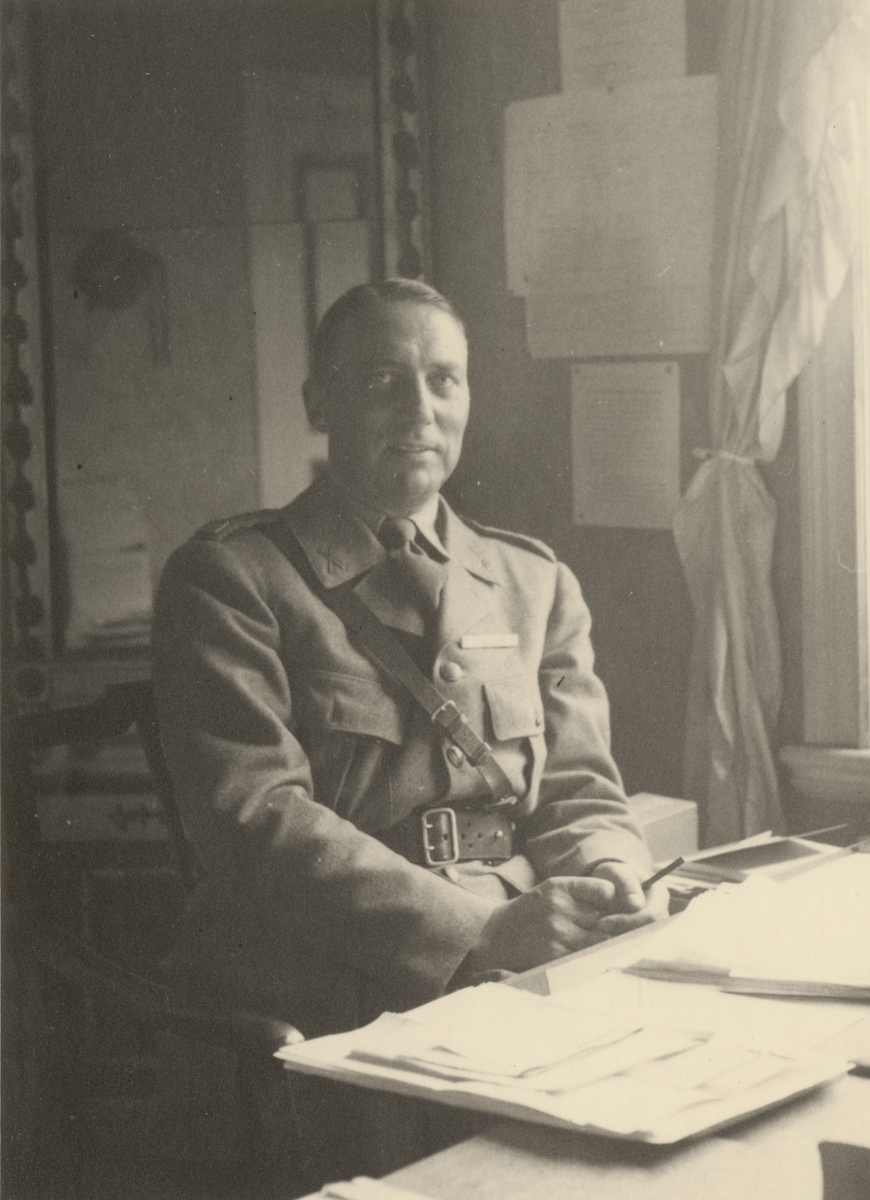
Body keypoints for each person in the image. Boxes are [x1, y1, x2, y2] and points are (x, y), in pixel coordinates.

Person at [152, 279, 668, 1045]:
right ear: (319, 404)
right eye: (382, 381)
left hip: (527, 950)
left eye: (443, 381)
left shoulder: (533, 582)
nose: (420, 410)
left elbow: (578, 789)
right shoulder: (232, 579)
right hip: (328, 980)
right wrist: (478, 932)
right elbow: (256, 819)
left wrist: (612, 871)